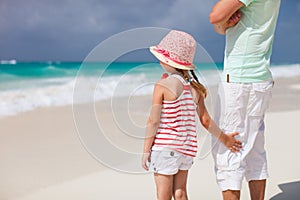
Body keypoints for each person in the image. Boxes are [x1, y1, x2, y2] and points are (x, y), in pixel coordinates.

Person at [141, 30, 242, 200]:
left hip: (165, 148)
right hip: (186, 150)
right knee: (180, 194)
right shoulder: (195, 89)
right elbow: (206, 120)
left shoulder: (162, 85)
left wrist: (145, 151)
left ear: (168, 60)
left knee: (163, 196)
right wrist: (224, 138)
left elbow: (153, 121)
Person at [209, 0, 281, 199]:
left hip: (240, 80)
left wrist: (221, 21)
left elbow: (215, 16)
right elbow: (221, 25)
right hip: (259, 78)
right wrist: (223, 23)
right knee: (254, 150)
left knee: (228, 154)